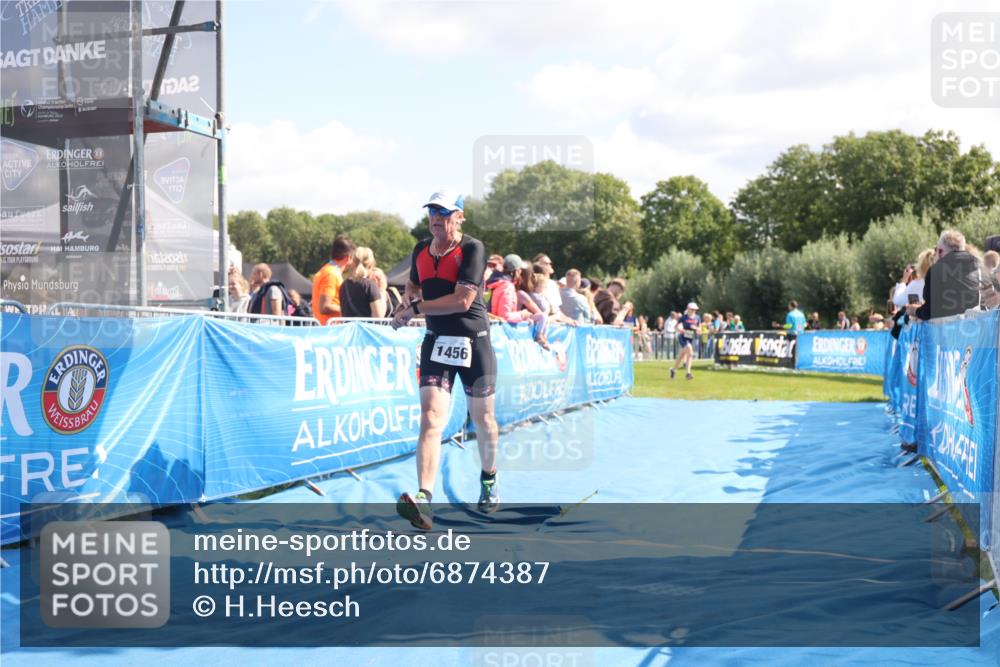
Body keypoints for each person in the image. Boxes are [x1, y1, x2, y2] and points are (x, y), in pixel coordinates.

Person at [391, 189, 499, 530]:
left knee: (483, 419)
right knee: (430, 417)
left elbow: (462, 301)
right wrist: (407, 301)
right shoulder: (420, 249)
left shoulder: (473, 248)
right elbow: (413, 285)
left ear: (460, 217)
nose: (436, 218)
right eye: (432, 212)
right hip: (437, 342)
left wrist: (415, 309)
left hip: (474, 343)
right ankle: (424, 498)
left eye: (444, 212)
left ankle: (489, 479)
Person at [911, 230, 987, 321]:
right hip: (972, 326)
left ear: (940, 251)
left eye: (936, 249)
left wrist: (914, 311)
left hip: (945, 327)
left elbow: (929, 311)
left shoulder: (935, 270)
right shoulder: (979, 268)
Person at [486, 254, 551, 348]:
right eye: (520, 270)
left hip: (495, 331)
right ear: (516, 271)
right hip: (499, 336)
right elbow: (505, 316)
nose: (520, 272)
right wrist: (523, 314)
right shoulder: (507, 286)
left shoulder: (498, 283)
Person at [311, 234, 355, 325]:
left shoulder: (326, 270)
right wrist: (348, 309)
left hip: (326, 327)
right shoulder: (331, 274)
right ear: (349, 257)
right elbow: (324, 307)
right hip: (330, 328)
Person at [339, 247, 386, 318]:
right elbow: (379, 316)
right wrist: (382, 290)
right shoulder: (370, 286)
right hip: (365, 325)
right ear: (371, 265)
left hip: (348, 325)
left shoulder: (344, 285)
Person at [671, 302, 699, 380]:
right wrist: (681, 330)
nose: (694, 311)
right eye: (692, 309)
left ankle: (673, 369)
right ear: (688, 309)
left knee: (682, 355)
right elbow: (676, 327)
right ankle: (688, 373)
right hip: (683, 337)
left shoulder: (697, 318)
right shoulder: (684, 317)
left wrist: (696, 328)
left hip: (690, 337)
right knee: (690, 351)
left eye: (695, 309)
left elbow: (699, 329)